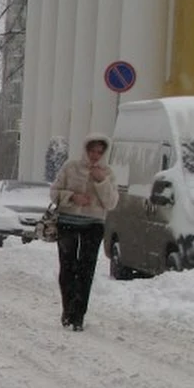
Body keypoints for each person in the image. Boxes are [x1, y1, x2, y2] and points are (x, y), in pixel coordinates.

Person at [50, 134, 119, 331]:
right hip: (68, 222)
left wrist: (101, 181)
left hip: (93, 225)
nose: (95, 155)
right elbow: (54, 192)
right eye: (92, 150)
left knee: (86, 269)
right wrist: (73, 197)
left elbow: (112, 203)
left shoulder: (108, 173)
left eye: (99, 152)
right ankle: (68, 309)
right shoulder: (70, 167)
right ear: (85, 150)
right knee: (68, 268)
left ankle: (78, 316)